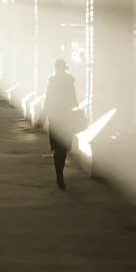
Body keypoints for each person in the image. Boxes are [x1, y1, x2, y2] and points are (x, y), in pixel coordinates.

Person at [43, 59, 79, 189]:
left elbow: (47, 100)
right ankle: (60, 173)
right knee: (63, 149)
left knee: (57, 149)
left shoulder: (51, 82)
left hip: (55, 118)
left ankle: (59, 174)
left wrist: (45, 115)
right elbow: (74, 101)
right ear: (64, 68)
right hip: (66, 118)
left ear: (55, 68)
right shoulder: (70, 81)